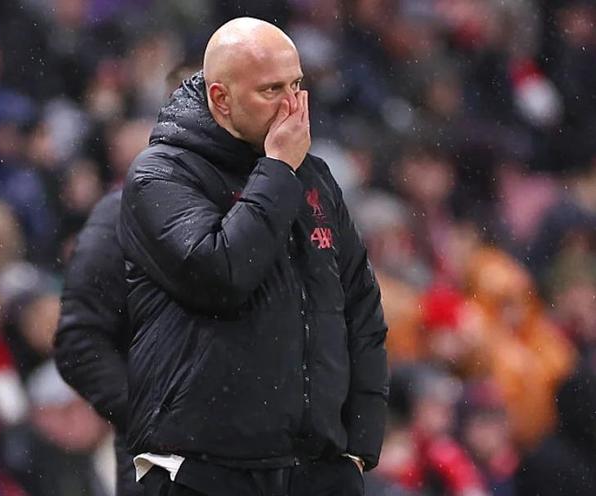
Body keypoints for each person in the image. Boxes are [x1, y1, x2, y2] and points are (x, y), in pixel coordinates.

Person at [118, 17, 389, 496]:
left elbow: (361, 308)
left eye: (296, 85)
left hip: (315, 472)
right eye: (271, 90)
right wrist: (277, 169)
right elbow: (222, 275)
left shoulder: (315, 177)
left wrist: (359, 448)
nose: (292, 106)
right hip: (204, 473)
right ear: (221, 98)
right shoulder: (160, 175)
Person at [54, 190, 142, 496]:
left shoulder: (274, 194)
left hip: (271, 458)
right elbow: (79, 342)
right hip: (168, 462)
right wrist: (153, 419)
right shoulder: (128, 210)